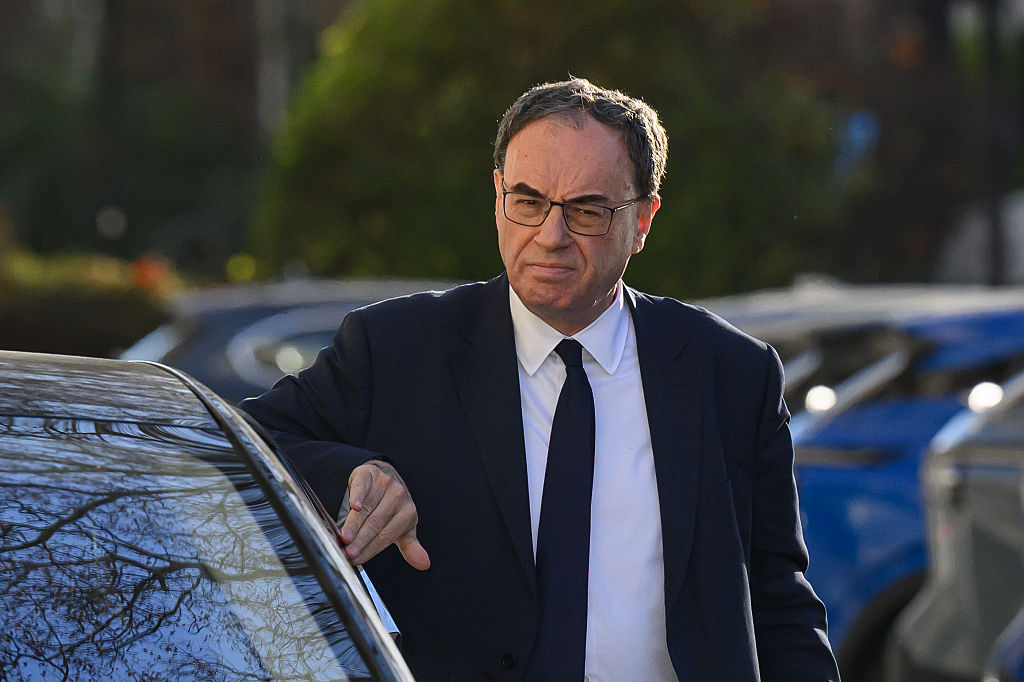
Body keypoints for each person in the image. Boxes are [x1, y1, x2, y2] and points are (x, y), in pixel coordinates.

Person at [241, 78, 840, 681]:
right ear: (497, 195)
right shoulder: (395, 350)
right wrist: (350, 472)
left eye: (585, 211)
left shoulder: (731, 373)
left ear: (642, 220)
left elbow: (778, 597)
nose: (550, 237)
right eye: (528, 202)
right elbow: (238, 440)